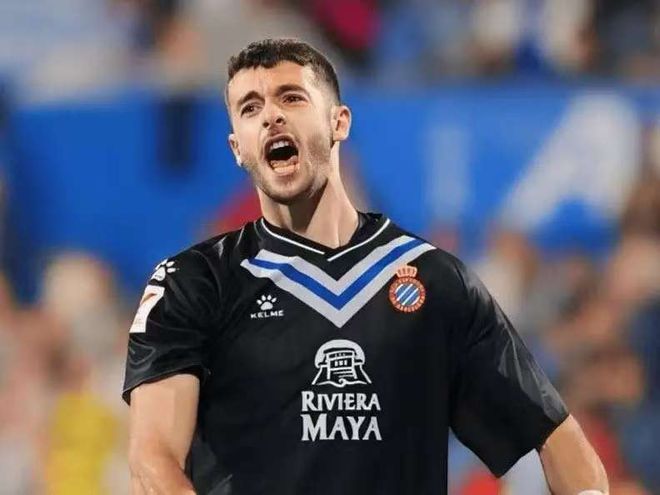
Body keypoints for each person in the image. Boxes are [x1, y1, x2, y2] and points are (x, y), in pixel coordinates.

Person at [123, 38, 609, 495]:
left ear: (339, 122)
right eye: (250, 108)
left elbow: (556, 436)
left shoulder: (437, 282)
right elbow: (153, 459)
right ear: (237, 147)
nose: (270, 115)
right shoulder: (193, 282)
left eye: (291, 97)